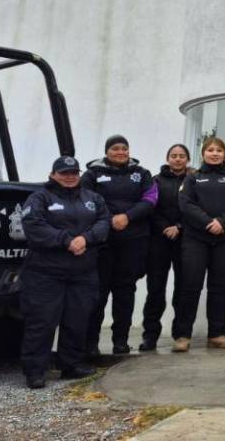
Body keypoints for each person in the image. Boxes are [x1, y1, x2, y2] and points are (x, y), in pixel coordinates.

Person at [19, 156, 110, 388]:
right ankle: (35, 371)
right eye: (64, 173)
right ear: (53, 175)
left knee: (77, 320)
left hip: (83, 272)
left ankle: (71, 365)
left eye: (73, 173)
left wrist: (85, 239)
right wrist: (67, 241)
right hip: (46, 272)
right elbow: (34, 226)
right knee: (42, 322)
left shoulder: (93, 198)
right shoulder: (39, 198)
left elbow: (104, 222)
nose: (69, 177)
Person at [81, 134, 157, 356]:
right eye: (115, 148)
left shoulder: (142, 174)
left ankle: (121, 342)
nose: (120, 152)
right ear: (107, 152)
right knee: (98, 293)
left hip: (133, 242)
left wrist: (127, 217)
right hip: (102, 243)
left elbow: (151, 200)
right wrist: (110, 219)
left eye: (124, 148)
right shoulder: (92, 174)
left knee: (125, 292)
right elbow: (85, 201)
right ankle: (90, 344)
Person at [172, 137, 225, 351]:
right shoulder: (193, 178)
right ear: (203, 153)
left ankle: (217, 334)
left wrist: (222, 222)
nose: (215, 154)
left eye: (219, 150)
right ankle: (182, 336)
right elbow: (186, 203)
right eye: (210, 150)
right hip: (196, 239)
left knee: (220, 287)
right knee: (190, 285)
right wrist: (208, 222)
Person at [138, 144, 192, 351]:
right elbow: (150, 207)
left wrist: (179, 226)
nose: (177, 159)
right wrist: (165, 227)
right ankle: (150, 335)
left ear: (187, 159)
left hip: (186, 240)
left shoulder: (194, 180)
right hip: (159, 240)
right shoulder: (155, 181)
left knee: (183, 290)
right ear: (168, 158)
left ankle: (181, 334)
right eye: (173, 155)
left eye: (182, 156)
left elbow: (196, 207)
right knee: (155, 290)